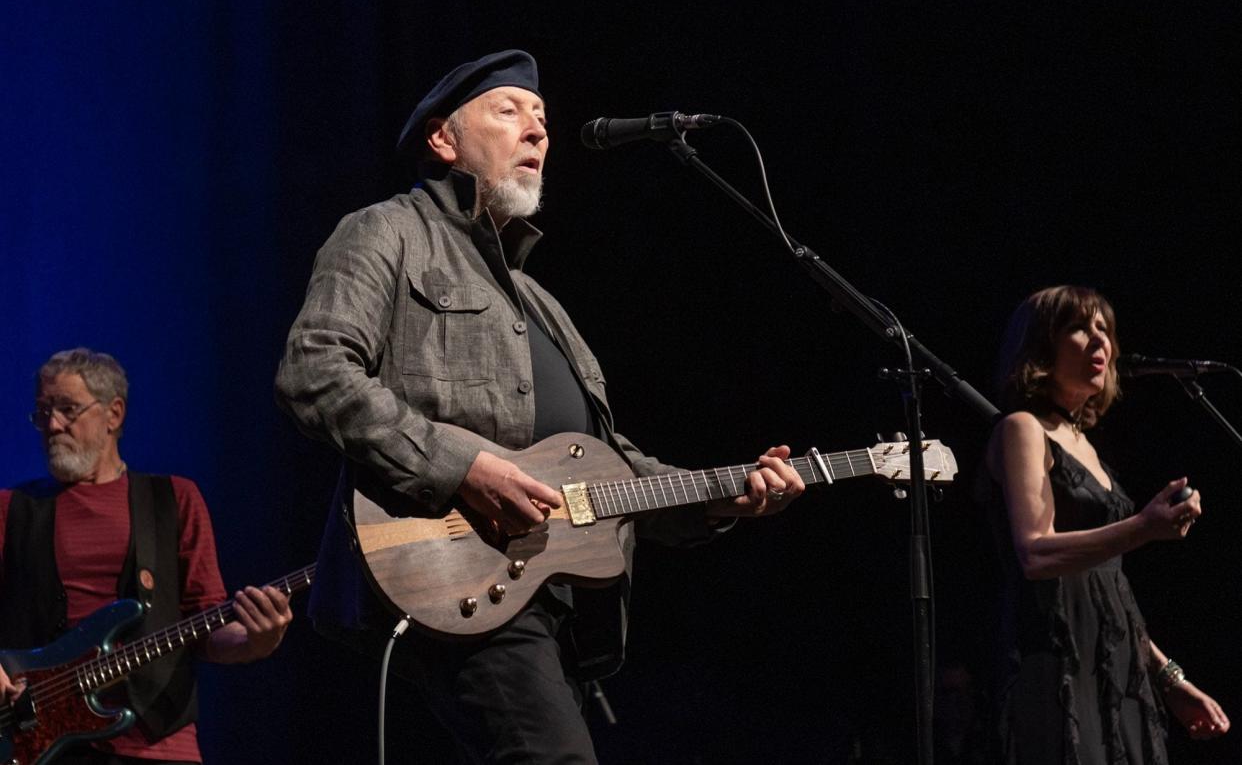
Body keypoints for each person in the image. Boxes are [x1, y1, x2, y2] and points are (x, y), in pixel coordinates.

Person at [274, 49, 805, 763]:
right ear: (443, 139)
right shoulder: (385, 231)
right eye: (509, 110)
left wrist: (721, 497)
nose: (537, 132)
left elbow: (608, 469)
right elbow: (314, 371)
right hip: (451, 568)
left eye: (543, 120)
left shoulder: (541, 304)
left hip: (552, 604)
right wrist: (465, 467)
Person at [0, 348, 293, 765]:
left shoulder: (174, 499)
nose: (52, 425)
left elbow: (207, 624)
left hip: (158, 742)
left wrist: (256, 640)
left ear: (113, 414)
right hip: (36, 743)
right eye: (42, 412)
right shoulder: (12, 508)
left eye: (67, 409)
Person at [984, 286, 1230, 764]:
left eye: (1105, 330)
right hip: (1056, 660)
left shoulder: (1085, 445)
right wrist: (1143, 526)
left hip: (1114, 663)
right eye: (1080, 327)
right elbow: (1036, 553)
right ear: (1041, 346)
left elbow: (1106, 582)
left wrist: (1169, 679)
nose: (1101, 342)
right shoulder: (1023, 428)